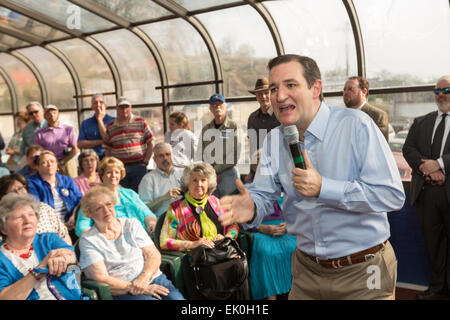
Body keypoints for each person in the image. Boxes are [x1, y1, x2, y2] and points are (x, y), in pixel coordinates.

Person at [218, 54, 405, 300]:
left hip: (364, 270)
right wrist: (252, 205)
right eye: (274, 88)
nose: (279, 95)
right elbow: (263, 193)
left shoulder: (357, 126)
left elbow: (391, 195)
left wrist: (324, 188)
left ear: (316, 88)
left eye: (290, 85)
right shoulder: (275, 140)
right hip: (306, 272)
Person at [78, 186, 184, 300]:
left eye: (109, 204)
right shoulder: (89, 240)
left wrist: (144, 278)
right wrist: (137, 288)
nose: (106, 210)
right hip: (123, 290)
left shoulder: (131, 224)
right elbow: (100, 277)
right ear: (90, 214)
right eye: (99, 208)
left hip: (153, 278)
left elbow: (153, 255)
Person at [402, 75, 450, 300]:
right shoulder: (421, 121)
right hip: (427, 193)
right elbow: (408, 149)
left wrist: (440, 164)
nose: (441, 95)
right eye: (437, 91)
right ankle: (437, 288)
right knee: (433, 245)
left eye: (446, 90)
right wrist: (427, 168)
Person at [0, 193, 83, 300]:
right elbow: (4, 297)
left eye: (31, 215)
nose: (27, 221)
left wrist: (62, 258)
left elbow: (71, 255)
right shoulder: (2, 258)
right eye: (19, 217)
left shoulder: (48, 239)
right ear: (3, 228)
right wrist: (40, 269)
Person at [243, 148, 296, 300]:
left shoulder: (285, 187)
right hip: (260, 230)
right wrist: (262, 228)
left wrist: (289, 224)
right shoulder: (248, 189)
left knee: (298, 248)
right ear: (255, 167)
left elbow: (298, 212)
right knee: (266, 252)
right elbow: (242, 220)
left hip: (286, 229)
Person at [160, 161, 239, 252]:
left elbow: (233, 226)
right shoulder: (175, 209)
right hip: (195, 261)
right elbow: (164, 242)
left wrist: (226, 238)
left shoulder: (216, 202)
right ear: (187, 183)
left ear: (208, 183)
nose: (199, 184)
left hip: (221, 255)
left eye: (203, 180)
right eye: (194, 180)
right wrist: (194, 244)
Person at [75, 156, 157, 237]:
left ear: (121, 175)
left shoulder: (130, 193)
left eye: (117, 172)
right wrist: (98, 239)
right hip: (111, 239)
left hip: (139, 235)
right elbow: (82, 226)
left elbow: (146, 213)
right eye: (109, 172)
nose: (113, 175)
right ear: (102, 175)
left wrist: (151, 224)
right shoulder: (93, 197)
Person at [0, 173, 71, 245]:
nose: (19, 193)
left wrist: (67, 253)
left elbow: (64, 236)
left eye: (20, 188)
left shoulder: (44, 208)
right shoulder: (5, 218)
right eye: (12, 192)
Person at [104, 96, 154, 192]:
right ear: (117, 109)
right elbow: (107, 148)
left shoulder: (140, 122)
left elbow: (151, 142)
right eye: (121, 107)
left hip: (139, 166)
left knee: (141, 193)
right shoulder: (111, 126)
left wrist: (146, 161)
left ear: (130, 107)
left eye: (126, 106)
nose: (124, 109)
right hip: (119, 168)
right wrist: (110, 165)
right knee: (122, 193)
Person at [27, 151, 81, 232]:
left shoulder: (67, 180)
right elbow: (37, 208)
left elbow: (80, 201)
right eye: (44, 162)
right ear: (38, 167)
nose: (49, 164)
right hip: (48, 227)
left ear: (56, 164)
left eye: (52, 161)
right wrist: (59, 225)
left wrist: (74, 217)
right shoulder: (32, 183)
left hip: (71, 223)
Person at [198, 94, 240, 198]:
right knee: (212, 207)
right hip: (210, 176)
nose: (217, 107)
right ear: (210, 109)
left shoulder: (234, 127)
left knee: (230, 207)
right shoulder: (206, 130)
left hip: (229, 174)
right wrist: (211, 173)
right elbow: (202, 154)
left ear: (225, 107)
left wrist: (216, 171)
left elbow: (235, 154)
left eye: (220, 104)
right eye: (214, 105)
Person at [246, 77, 280, 182]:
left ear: (271, 93)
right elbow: (252, 147)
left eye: (266, 93)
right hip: (259, 169)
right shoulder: (252, 118)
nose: (263, 97)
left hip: (278, 168)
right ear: (256, 97)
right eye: (259, 94)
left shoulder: (280, 115)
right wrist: (251, 171)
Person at [138, 143, 183, 218]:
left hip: (185, 218)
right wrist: (163, 198)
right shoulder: (148, 179)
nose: (165, 158)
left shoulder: (183, 173)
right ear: (155, 159)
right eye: (161, 156)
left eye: (168, 154)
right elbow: (143, 209)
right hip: (162, 222)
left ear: (173, 156)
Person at [33, 105, 79, 178]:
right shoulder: (40, 133)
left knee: (71, 183)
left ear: (58, 114)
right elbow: (38, 152)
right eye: (49, 113)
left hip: (66, 161)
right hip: (49, 164)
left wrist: (62, 162)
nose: (52, 115)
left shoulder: (68, 129)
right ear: (45, 116)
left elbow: (75, 149)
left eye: (54, 113)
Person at [343, 76, 389, 142]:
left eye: (351, 89)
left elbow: (379, 146)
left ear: (364, 92)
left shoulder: (378, 116)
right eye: (344, 89)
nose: (346, 93)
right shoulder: (340, 116)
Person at [77, 93, 114, 160]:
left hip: (109, 158)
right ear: (92, 107)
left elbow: (108, 140)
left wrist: (100, 120)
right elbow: (80, 144)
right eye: (95, 103)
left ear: (105, 106)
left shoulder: (113, 121)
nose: (98, 105)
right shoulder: (85, 123)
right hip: (91, 159)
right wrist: (100, 142)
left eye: (101, 102)